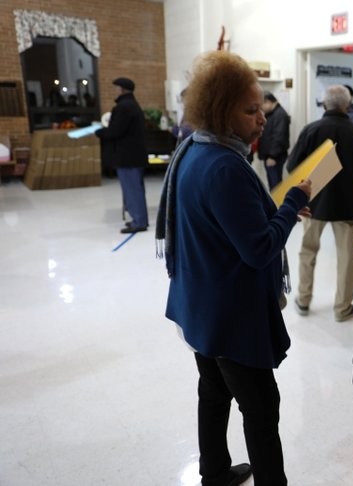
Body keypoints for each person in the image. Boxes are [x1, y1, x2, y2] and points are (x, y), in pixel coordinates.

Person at [155, 50, 312, 486]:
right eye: (249, 110)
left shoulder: (192, 150)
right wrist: (293, 203)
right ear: (222, 112)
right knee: (262, 409)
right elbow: (260, 249)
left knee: (214, 390)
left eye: (260, 106)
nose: (261, 118)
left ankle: (215, 472)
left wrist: (279, 211)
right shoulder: (226, 167)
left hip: (201, 304)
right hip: (229, 314)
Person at [286, 84, 353, 321]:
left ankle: (303, 300)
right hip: (348, 205)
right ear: (347, 105)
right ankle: (342, 308)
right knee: (347, 257)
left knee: (307, 251)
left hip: (312, 203)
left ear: (324, 104)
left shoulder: (310, 130)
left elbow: (291, 166)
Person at [94, 77, 149, 234]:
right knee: (134, 189)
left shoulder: (123, 107)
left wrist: (99, 131)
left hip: (127, 158)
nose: (114, 91)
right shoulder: (132, 105)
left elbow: (115, 131)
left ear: (122, 90)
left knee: (132, 190)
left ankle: (139, 221)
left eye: (116, 88)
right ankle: (138, 219)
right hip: (133, 156)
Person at [256, 91, 290, 189]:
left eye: (262, 105)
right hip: (269, 155)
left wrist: (272, 156)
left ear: (268, 102)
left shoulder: (280, 115)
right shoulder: (271, 114)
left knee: (276, 186)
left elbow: (279, 137)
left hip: (275, 157)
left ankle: (277, 204)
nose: (261, 108)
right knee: (272, 185)